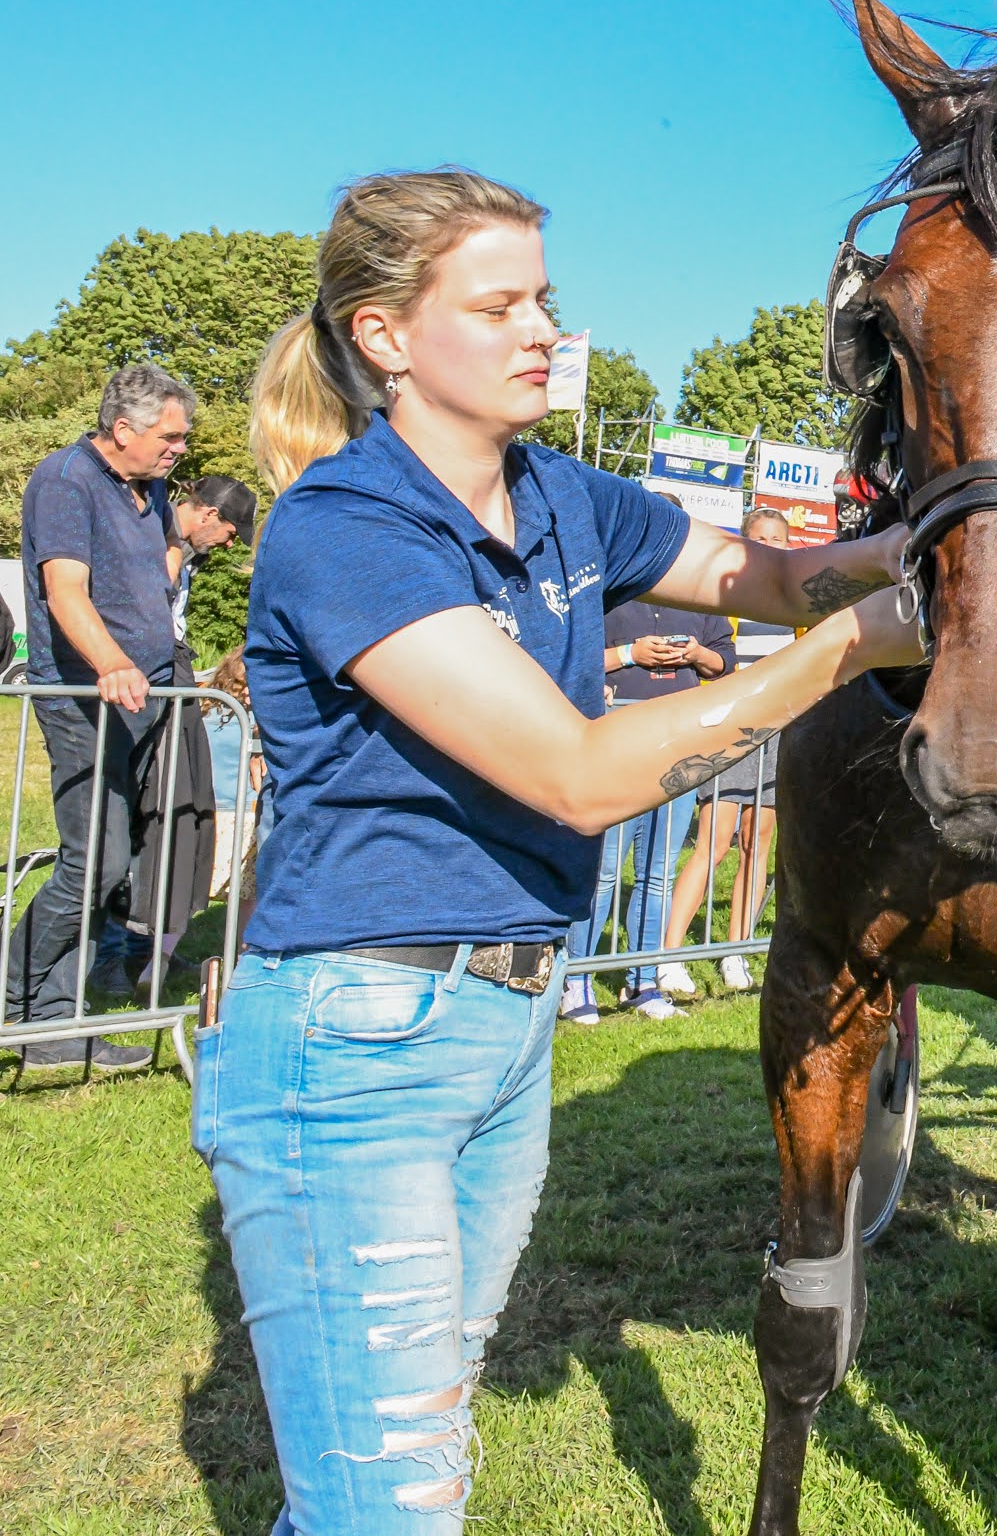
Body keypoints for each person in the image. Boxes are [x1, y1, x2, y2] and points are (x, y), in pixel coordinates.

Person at [203, 167, 915, 1531]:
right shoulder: (348, 526)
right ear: (384, 335)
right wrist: (839, 654)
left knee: (389, 1466)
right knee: (389, 1500)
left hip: (503, 1019)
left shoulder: (563, 494)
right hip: (357, 1035)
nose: (543, 327)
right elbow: (577, 774)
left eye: (545, 296)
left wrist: (944, 538)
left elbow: (764, 576)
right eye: (500, 302)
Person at [10, 363, 196, 1068]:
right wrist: (113, 661)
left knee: (112, 865)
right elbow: (65, 592)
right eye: (170, 435)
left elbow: (166, 555)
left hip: (143, 700)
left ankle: (54, 1027)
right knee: (96, 860)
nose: (180, 447)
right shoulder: (66, 482)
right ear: (124, 429)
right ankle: (17, 993)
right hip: (85, 698)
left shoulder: (150, 487)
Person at [571, 536, 734, 1022]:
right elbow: (569, 656)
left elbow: (725, 663)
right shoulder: (602, 588)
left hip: (681, 740)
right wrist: (629, 653)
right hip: (618, 737)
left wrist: (697, 655)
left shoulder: (698, 596)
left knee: (658, 870)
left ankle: (642, 982)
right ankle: (575, 980)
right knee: (604, 869)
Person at [655, 503, 795, 994]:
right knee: (713, 844)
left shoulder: (795, 606)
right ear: (743, 541)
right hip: (731, 732)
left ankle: (735, 953)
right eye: (762, 537)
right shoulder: (725, 598)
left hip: (781, 736)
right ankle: (668, 955)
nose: (770, 547)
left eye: (779, 540)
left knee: (759, 847)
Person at [133, 472, 261, 999]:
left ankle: (143, 957)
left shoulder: (185, 558)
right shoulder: (159, 545)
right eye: (231, 532)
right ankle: (128, 956)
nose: (229, 544)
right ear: (209, 513)